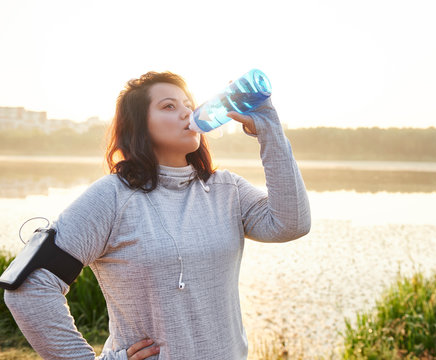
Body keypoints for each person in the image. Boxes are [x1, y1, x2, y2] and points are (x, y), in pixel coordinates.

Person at [4, 71, 311, 359]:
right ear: (139, 125)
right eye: (168, 106)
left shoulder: (226, 190)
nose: (186, 113)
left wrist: (269, 128)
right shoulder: (112, 197)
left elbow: (290, 224)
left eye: (189, 105)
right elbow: (29, 287)